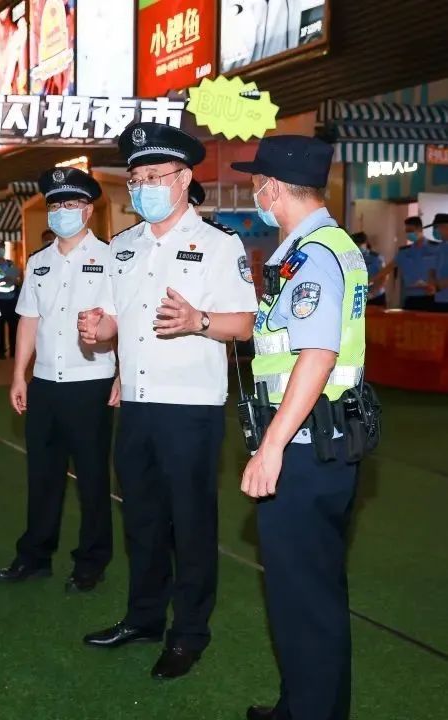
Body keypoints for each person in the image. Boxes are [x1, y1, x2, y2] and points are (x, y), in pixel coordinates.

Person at [77, 122, 257, 679]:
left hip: (190, 408)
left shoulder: (219, 244)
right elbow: (115, 319)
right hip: (135, 403)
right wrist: (99, 328)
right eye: (137, 179)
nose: (144, 187)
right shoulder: (122, 246)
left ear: (183, 179)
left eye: (155, 177)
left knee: (191, 525)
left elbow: (244, 323)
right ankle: (144, 618)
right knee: (143, 519)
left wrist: (198, 320)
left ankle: (188, 634)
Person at [231, 135, 369, 720]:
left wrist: (271, 446)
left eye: (256, 183)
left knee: (304, 600)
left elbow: (316, 355)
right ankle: (304, 705)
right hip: (323, 443)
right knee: (308, 594)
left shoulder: (314, 255)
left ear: (274, 188)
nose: (254, 193)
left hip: (306, 447)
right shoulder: (322, 246)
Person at [0, 167, 115, 592]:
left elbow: (122, 321)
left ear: (88, 210)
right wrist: (19, 376)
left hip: (91, 382)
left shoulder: (111, 260)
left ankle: (91, 561)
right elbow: (29, 321)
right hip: (45, 383)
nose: (63, 211)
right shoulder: (39, 262)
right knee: (42, 475)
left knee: (92, 478)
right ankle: (35, 556)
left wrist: (121, 373)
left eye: (72, 203)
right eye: (56, 204)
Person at [376, 216, 438, 310]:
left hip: (432, 297)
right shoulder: (404, 252)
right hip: (411, 298)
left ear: (420, 229)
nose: (409, 234)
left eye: (411, 230)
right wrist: (369, 280)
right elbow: (386, 269)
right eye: (407, 231)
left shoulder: (436, 249)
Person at [0, 243, 21, 358]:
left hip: (12, 301)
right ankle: (0, 352)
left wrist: (16, 280)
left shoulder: (10, 264)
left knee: (14, 328)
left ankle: (14, 352)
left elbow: (17, 279)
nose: (1, 250)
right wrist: (3, 280)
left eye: (2, 248)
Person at [351, 232, 386, 307]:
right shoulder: (350, 258)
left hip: (375, 297)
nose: (357, 246)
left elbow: (384, 276)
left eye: (359, 244)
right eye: (355, 244)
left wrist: (372, 293)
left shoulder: (376, 258)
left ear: (365, 243)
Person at [428, 213, 448, 312]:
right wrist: (431, 283)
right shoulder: (439, 247)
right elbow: (432, 269)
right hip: (439, 299)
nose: (435, 231)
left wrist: (438, 286)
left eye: (437, 227)